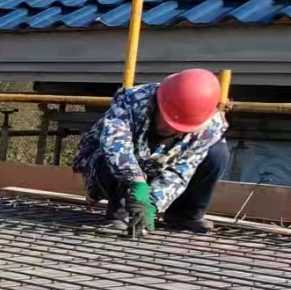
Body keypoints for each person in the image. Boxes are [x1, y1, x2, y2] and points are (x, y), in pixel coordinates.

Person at [73, 68, 229, 237]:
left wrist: (153, 203)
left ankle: (183, 215)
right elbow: (115, 143)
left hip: (158, 165)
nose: (169, 129)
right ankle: (122, 212)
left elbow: (181, 171)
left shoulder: (211, 126)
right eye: (167, 120)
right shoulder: (132, 99)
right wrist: (136, 182)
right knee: (111, 152)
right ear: (159, 103)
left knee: (217, 153)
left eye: (179, 128)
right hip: (109, 166)